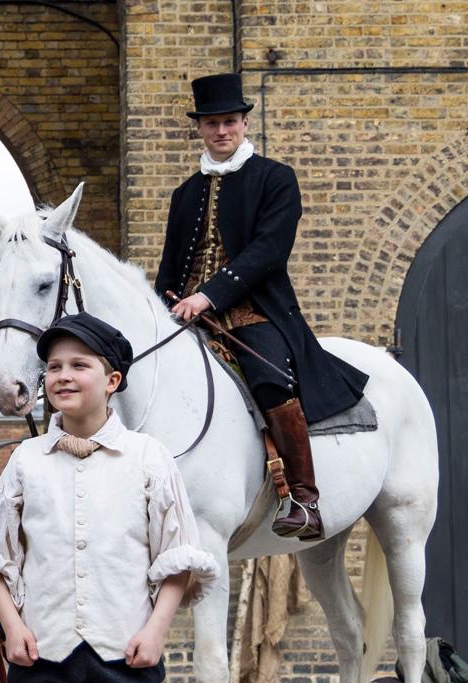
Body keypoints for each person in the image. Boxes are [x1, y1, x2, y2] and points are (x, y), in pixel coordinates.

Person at [0, 313, 221, 683]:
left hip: (125, 658)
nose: (63, 375)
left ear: (112, 380)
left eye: (79, 365)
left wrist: (155, 631)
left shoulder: (149, 458)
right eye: (54, 366)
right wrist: (13, 628)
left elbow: (178, 558)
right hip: (41, 660)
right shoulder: (26, 461)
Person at [155, 72, 369, 541]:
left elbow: (269, 251)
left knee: (271, 378)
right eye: (212, 124)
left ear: (244, 123)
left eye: (229, 121)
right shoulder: (185, 193)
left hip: (254, 311)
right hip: (188, 315)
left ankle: (303, 497)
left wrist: (208, 295)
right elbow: (171, 264)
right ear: (200, 128)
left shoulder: (275, 179)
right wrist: (165, 301)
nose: (221, 131)